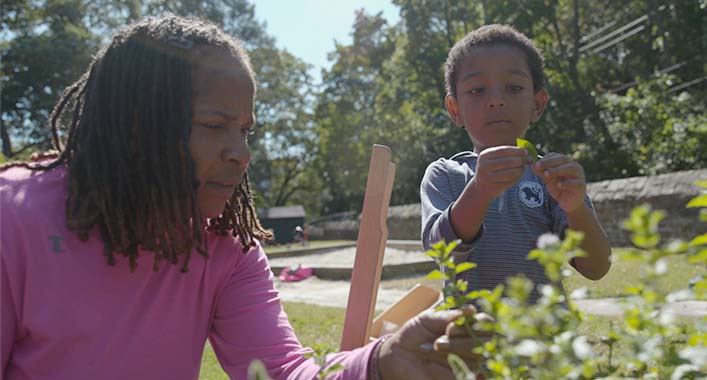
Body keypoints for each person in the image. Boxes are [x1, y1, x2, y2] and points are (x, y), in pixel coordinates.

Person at [0, 16, 486, 380]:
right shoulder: (13, 218)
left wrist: (382, 361)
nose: (241, 154)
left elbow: (281, 369)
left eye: (245, 131)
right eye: (215, 126)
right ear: (135, 124)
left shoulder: (224, 243)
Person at [420, 24, 612, 303]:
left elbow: (597, 267)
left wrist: (576, 207)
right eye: (477, 90)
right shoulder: (445, 175)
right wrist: (480, 190)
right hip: (469, 338)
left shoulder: (552, 179)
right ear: (454, 109)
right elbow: (441, 249)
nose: (496, 100)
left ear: (537, 104)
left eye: (513, 87)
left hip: (542, 339)